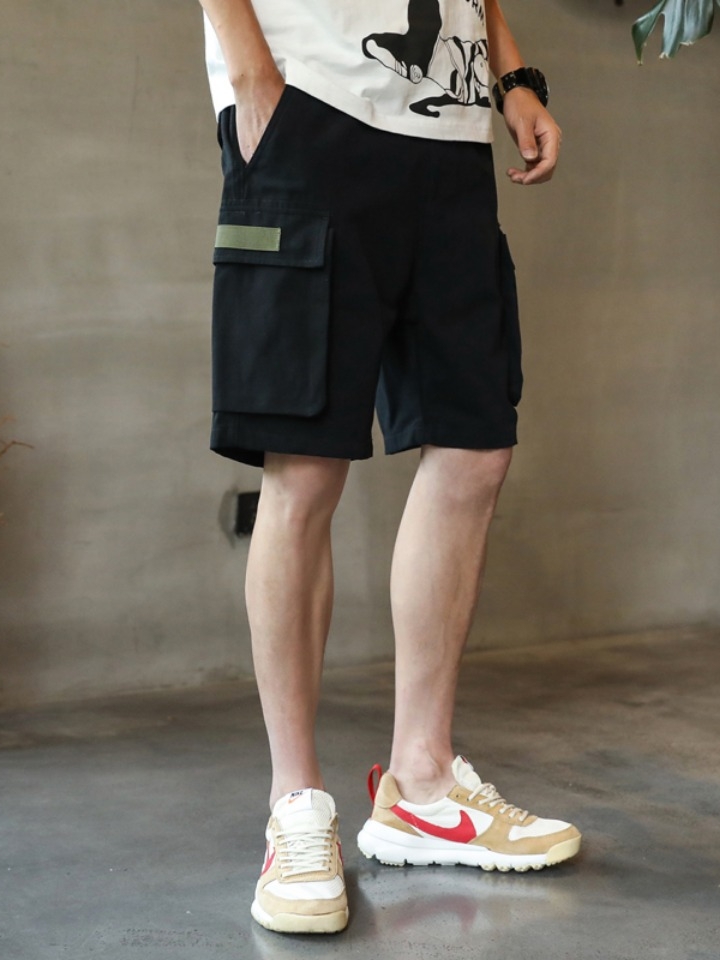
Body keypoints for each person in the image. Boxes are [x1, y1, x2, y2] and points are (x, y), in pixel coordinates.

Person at [198, 0, 580, 935]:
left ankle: (423, 784)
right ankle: (296, 807)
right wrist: (252, 79)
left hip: (448, 138)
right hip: (311, 109)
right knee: (305, 468)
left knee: (474, 445)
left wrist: (511, 78)